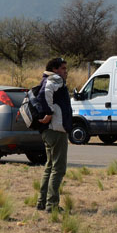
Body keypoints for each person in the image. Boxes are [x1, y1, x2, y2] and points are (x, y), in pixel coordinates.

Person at [34, 57, 72, 212]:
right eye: (63, 68)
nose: (65, 72)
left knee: (49, 167)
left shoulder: (47, 79)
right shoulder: (54, 79)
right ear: (55, 69)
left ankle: (42, 202)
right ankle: (52, 205)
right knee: (58, 168)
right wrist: (49, 113)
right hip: (56, 130)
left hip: (49, 130)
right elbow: (46, 91)